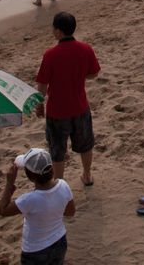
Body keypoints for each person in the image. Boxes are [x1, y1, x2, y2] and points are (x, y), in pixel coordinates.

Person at [35, 12, 100, 187]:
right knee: (85, 144)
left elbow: (42, 84)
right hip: (80, 107)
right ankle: (87, 174)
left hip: (58, 111)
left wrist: (39, 104)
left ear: (58, 31)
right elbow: (94, 73)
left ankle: (59, 183)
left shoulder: (51, 54)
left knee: (57, 149)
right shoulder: (85, 49)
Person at [0, 147, 75, 264]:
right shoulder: (64, 186)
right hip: (59, 241)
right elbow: (70, 212)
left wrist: (9, 183)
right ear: (52, 169)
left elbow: (2, 210)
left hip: (35, 251)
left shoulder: (29, 199)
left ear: (30, 177)